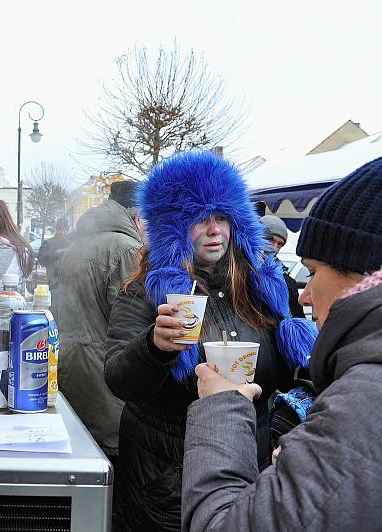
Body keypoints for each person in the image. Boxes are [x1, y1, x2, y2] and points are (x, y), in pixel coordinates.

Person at [103, 150, 316, 532]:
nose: (215, 229)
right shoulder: (146, 294)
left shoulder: (268, 288)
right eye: (200, 219)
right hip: (169, 479)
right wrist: (155, 347)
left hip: (255, 464)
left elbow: (300, 373)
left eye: (221, 217)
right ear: (173, 227)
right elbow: (119, 379)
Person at [182, 156, 382, 532]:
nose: (305, 296)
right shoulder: (153, 288)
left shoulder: (365, 399)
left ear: (366, 276)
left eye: (315, 271)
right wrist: (154, 348)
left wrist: (222, 406)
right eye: (200, 219)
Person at [56, 180, 142, 524]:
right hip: (107, 381)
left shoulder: (81, 242)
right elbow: (128, 323)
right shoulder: (124, 248)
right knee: (114, 484)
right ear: (137, 214)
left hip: (74, 369)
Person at [259, 214, 306, 318]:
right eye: (271, 240)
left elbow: (298, 317)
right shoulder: (238, 270)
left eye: (280, 244)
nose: (275, 248)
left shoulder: (288, 282)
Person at [37, 218, 71, 296]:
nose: (62, 232)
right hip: (53, 283)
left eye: (65, 230)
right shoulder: (48, 243)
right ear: (56, 229)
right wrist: (55, 254)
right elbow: (41, 259)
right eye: (60, 229)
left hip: (69, 284)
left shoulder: (71, 244)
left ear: (68, 230)